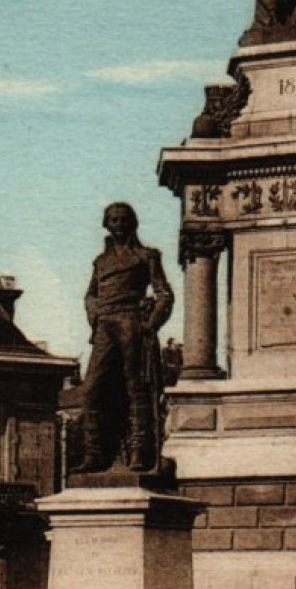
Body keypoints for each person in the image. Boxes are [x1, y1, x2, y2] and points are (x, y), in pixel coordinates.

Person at [76, 203, 174, 474]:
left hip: (131, 321)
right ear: (106, 224)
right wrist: (94, 316)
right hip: (104, 325)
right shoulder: (100, 262)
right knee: (91, 388)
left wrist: (149, 324)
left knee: (136, 387)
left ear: (133, 223)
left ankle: (139, 450)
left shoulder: (147, 256)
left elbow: (164, 294)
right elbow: (90, 295)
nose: (118, 224)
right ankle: (95, 452)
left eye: (123, 219)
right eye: (113, 220)